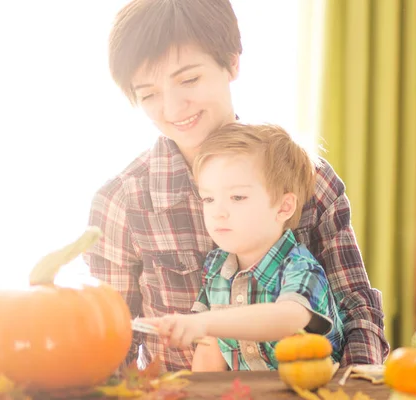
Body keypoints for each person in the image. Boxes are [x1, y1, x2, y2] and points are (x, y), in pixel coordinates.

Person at [84, 0, 389, 372]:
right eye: (149, 94)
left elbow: (356, 306)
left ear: (231, 61)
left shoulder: (311, 179)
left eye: (189, 79)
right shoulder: (122, 202)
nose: (174, 107)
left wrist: (354, 387)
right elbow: (111, 344)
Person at [139, 123, 345, 372]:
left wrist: (204, 322)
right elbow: (210, 347)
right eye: (209, 199)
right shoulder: (216, 268)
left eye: (237, 197)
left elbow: (286, 319)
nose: (218, 212)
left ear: (283, 207)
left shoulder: (300, 267)